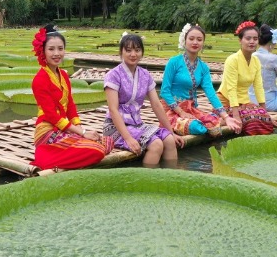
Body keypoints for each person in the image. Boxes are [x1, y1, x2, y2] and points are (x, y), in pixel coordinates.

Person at [30, 25, 113, 173]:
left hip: (65, 129)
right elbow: (52, 116)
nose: (57, 53)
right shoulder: (39, 80)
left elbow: (71, 107)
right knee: (97, 151)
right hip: (47, 130)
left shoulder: (63, 75)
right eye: (51, 49)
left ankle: (68, 151)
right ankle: (46, 156)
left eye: (60, 49)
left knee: (107, 142)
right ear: (42, 51)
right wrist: (82, 133)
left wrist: (79, 129)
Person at [102, 33, 185, 166]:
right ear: (121, 52)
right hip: (115, 128)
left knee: (169, 139)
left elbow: (157, 105)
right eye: (128, 50)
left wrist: (171, 131)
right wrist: (128, 139)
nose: (133, 54)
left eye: (137, 50)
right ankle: (146, 182)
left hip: (136, 125)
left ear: (142, 52)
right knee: (156, 144)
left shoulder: (145, 75)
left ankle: (172, 178)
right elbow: (113, 109)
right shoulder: (113, 75)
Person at [160, 23, 240, 137]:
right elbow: (164, 91)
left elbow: (211, 93)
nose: (195, 42)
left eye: (199, 39)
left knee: (215, 120)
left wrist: (226, 117)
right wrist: (181, 112)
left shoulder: (203, 67)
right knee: (197, 127)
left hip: (191, 110)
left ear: (203, 43)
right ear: (185, 40)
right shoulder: (174, 62)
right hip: (171, 109)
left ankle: (200, 122)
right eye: (191, 39)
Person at [217, 21, 277, 135]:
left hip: (244, 101)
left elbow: (258, 87)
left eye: (255, 39)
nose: (252, 42)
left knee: (264, 119)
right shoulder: (232, 60)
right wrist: (236, 115)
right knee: (252, 121)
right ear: (240, 40)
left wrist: (265, 112)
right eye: (248, 38)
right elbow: (231, 88)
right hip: (226, 101)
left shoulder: (255, 61)